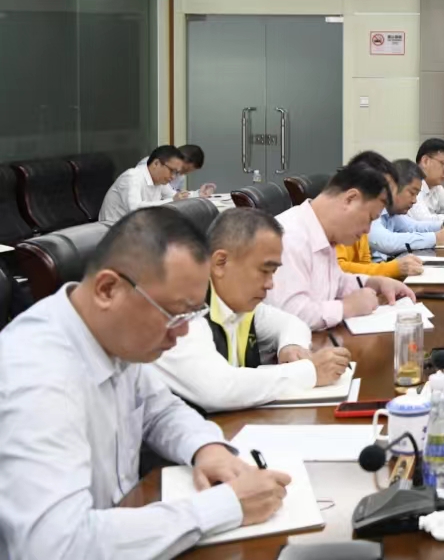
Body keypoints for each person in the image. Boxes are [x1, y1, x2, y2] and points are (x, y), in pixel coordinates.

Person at [0, 207, 292, 559]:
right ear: (108, 289)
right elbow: (55, 546)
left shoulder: (112, 336)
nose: (182, 333)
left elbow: (159, 410)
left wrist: (206, 448)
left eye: (192, 314)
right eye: (174, 314)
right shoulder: (38, 377)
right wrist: (226, 506)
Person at [153, 208, 353, 412]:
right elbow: (218, 389)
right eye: (264, 271)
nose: (270, 284)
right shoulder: (184, 310)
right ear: (220, 263)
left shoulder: (238, 303)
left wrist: (292, 347)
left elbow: (291, 323)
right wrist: (309, 372)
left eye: (273, 272)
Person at [265, 161, 415, 330]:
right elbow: (290, 315)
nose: (367, 230)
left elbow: (334, 281)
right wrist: (346, 308)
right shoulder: (289, 237)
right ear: (350, 199)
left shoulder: (323, 232)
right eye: (369, 218)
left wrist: (374, 283)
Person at [334, 151, 424, 279]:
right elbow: (337, 269)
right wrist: (393, 269)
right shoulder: (328, 224)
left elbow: (364, 266)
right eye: (383, 199)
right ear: (351, 198)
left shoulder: (359, 219)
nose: (368, 230)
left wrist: (379, 282)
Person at [370, 159, 444, 257]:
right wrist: (435, 238)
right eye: (412, 193)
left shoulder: (392, 212)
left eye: (416, 195)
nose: (414, 201)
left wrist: (443, 226)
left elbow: (414, 227)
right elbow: (387, 242)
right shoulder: (371, 209)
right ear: (393, 187)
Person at [100, 144, 190, 223]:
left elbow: (176, 197)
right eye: (171, 171)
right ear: (156, 163)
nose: (173, 177)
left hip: (136, 228)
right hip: (112, 230)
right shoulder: (132, 176)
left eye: (176, 173)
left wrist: (195, 194)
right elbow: (135, 209)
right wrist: (172, 200)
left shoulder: (160, 181)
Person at [138, 144, 206, 193]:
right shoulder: (147, 166)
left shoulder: (180, 175)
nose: (181, 173)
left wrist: (198, 194)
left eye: (186, 172)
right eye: (184, 169)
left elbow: (175, 195)